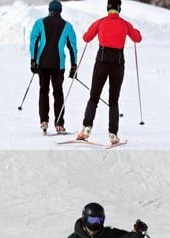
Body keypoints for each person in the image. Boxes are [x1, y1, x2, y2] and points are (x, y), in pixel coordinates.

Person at [76, 0, 142, 146]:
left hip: (101, 63)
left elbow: (86, 37)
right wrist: (136, 32)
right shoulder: (125, 24)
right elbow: (137, 38)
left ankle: (86, 128)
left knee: (94, 97)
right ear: (119, 8)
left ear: (108, 8)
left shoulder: (101, 22)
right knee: (113, 101)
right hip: (118, 65)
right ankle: (113, 134)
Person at [29, 1, 78, 135]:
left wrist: (33, 60)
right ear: (60, 10)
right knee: (58, 93)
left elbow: (34, 41)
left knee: (43, 91)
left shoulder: (39, 23)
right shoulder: (67, 26)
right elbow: (72, 47)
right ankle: (59, 124)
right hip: (58, 64)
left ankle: (44, 121)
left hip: (42, 63)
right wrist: (74, 65)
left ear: (49, 9)